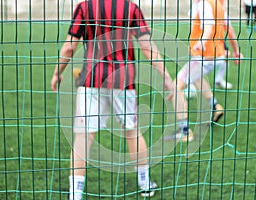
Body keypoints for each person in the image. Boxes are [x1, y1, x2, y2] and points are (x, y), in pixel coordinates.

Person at [50, 0, 177, 199]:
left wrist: (58, 72)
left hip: (91, 79)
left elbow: (69, 47)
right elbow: (147, 47)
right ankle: (145, 184)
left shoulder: (85, 7)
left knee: (83, 136)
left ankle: (75, 194)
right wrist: (167, 78)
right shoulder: (131, 8)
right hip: (123, 81)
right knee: (132, 132)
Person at [169, 0, 243, 141]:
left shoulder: (205, 4)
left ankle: (184, 131)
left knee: (176, 87)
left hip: (204, 56)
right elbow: (231, 31)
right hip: (216, 54)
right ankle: (215, 106)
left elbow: (208, 27)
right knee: (197, 78)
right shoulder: (218, 5)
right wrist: (236, 51)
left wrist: (201, 42)